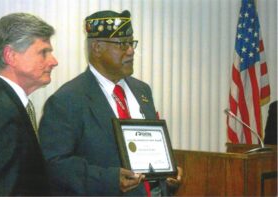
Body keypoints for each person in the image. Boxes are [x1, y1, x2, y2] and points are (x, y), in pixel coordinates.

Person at [39, 10, 182, 196]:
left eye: (131, 43)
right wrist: (108, 179)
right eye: (122, 44)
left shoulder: (142, 91)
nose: (131, 50)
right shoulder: (67, 100)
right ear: (97, 47)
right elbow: (54, 164)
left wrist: (168, 176)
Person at [0, 13, 58, 196]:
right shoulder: (0, 112)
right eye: (43, 52)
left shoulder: (2, 102)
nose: (53, 61)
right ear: (11, 56)